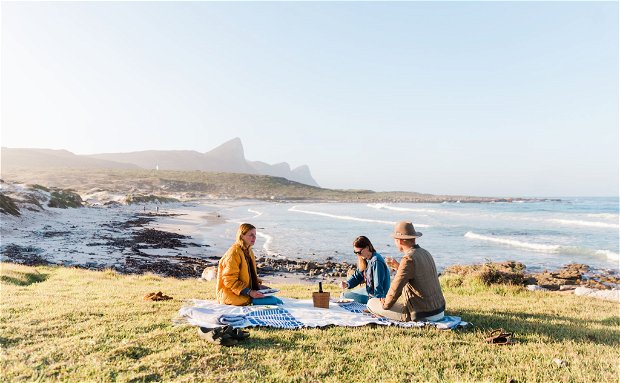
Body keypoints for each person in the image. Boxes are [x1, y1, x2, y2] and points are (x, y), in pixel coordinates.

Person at [367, 221, 446, 321]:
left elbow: (395, 290)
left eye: (395, 240)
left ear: (400, 241)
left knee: (371, 303)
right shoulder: (425, 253)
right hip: (439, 311)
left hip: (422, 314)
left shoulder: (408, 258)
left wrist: (384, 304)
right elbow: (416, 274)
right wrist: (397, 266)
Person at [216, 223, 282, 305]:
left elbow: (249, 276)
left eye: (255, 235)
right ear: (242, 236)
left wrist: (258, 286)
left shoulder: (249, 251)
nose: (254, 238)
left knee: (278, 301)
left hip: (245, 292)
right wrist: (250, 292)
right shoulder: (234, 253)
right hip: (230, 294)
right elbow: (229, 280)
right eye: (251, 235)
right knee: (273, 301)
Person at [339, 236, 390, 304]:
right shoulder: (365, 259)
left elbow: (378, 285)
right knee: (344, 295)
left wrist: (376, 304)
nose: (358, 254)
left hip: (378, 295)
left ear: (367, 248)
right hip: (369, 291)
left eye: (359, 252)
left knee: (344, 297)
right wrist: (346, 283)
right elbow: (357, 276)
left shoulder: (376, 261)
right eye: (355, 252)